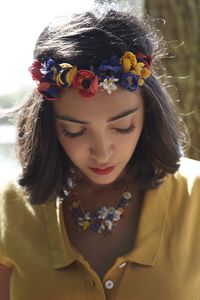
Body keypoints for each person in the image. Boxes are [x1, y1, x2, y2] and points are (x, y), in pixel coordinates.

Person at [0, 3, 200, 300]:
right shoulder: (9, 209)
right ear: (48, 126)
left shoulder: (194, 195)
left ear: (149, 113)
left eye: (122, 127)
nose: (103, 153)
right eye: (75, 131)